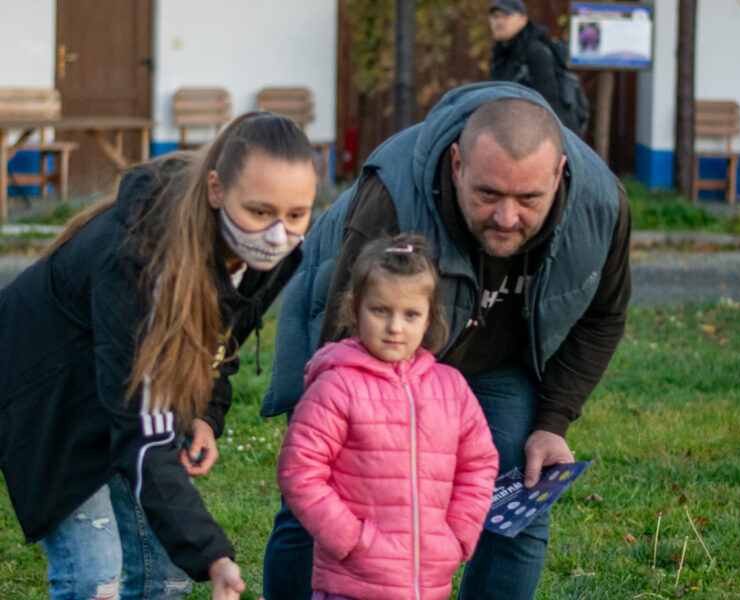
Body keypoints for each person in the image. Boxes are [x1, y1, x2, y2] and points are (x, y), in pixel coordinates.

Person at [262, 80, 631, 600]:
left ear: (559, 175)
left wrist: (553, 422)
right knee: (330, 491)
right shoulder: (392, 198)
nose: (507, 217)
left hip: (496, 360)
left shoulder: (601, 208)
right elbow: (345, 326)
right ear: (457, 164)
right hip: (367, 344)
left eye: (528, 199)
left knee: (520, 501)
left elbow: (604, 315)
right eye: (488, 194)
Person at [0, 111, 318, 600]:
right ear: (216, 190)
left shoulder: (272, 254)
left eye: (296, 215)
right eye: (259, 211)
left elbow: (219, 338)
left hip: (125, 373)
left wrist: (207, 415)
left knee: (167, 573)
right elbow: (141, 436)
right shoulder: (139, 261)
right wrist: (213, 554)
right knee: (94, 577)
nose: (278, 235)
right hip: (49, 386)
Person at [277, 233, 499, 600]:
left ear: (429, 318)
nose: (395, 327)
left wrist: (458, 533)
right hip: (352, 582)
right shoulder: (336, 387)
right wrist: (350, 539)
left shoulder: (452, 388)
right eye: (381, 310)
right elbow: (300, 471)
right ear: (355, 310)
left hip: (428, 584)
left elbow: (479, 463)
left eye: (410, 314)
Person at [488, 0, 566, 128]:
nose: (499, 22)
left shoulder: (536, 51)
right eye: (495, 16)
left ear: (523, 20)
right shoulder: (500, 52)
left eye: (506, 15)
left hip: (536, 133)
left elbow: (549, 105)